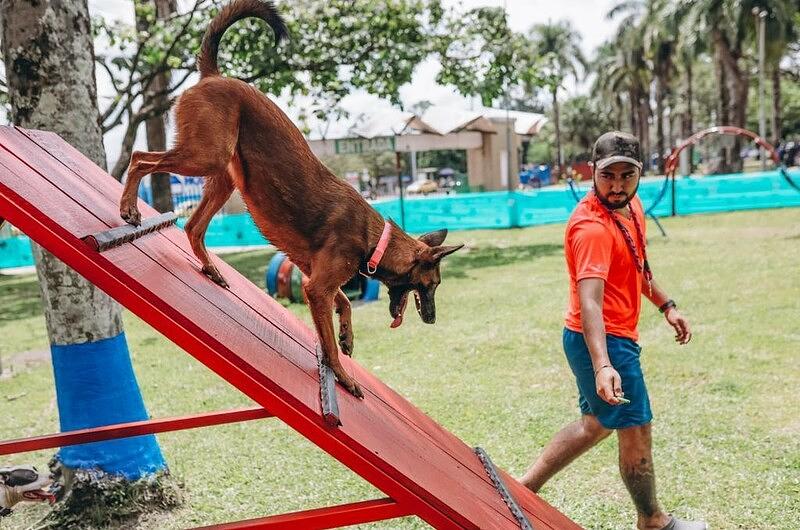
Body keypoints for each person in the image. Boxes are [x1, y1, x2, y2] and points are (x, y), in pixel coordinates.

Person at [520, 132, 706, 530]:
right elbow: (590, 302)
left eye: (627, 175)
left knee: (596, 424)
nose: (618, 186)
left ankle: (522, 489)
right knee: (635, 429)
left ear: (639, 174)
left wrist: (666, 305)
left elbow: (635, 268)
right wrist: (604, 364)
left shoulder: (631, 206)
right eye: (608, 176)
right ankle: (653, 522)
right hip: (603, 341)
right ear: (593, 172)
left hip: (607, 339)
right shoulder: (591, 228)